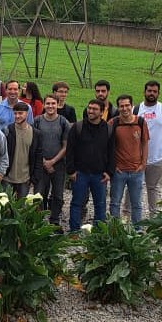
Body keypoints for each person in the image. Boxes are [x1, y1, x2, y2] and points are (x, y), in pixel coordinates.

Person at [67, 99, 115, 233]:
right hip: (80, 173)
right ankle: (74, 231)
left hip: (99, 175)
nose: (91, 111)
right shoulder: (78, 127)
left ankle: (99, 232)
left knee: (100, 205)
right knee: (77, 203)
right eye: (89, 108)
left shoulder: (108, 129)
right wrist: (71, 171)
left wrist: (109, 172)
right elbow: (70, 150)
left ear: (101, 112)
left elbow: (112, 152)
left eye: (94, 109)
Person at [134, 80, 162, 217]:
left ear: (158, 93)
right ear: (144, 92)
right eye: (149, 91)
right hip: (137, 158)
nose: (151, 93)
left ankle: (154, 217)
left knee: (152, 188)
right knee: (133, 188)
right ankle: (128, 215)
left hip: (157, 159)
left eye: (154, 91)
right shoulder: (135, 110)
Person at [109, 95, 149, 226]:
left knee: (136, 203)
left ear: (132, 106)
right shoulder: (114, 123)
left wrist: (143, 164)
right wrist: (112, 165)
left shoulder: (141, 122)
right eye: (121, 106)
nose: (124, 108)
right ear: (118, 107)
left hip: (136, 171)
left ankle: (137, 229)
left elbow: (145, 143)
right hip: (119, 171)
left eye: (127, 105)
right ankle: (114, 229)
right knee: (115, 202)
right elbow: (105, 145)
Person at [33, 95, 70, 224]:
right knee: (39, 195)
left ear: (57, 105)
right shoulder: (37, 121)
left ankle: (54, 221)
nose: (50, 106)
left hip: (58, 165)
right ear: (44, 105)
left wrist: (52, 161)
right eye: (48, 103)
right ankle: (38, 221)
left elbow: (66, 146)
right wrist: (44, 161)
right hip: (40, 164)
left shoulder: (63, 122)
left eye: (53, 104)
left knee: (58, 195)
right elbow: (34, 144)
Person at [2, 101, 43, 198]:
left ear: (27, 114)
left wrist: (34, 178)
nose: (17, 116)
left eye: (20, 113)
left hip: (25, 178)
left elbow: (38, 156)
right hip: (7, 177)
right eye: (15, 113)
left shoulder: (36, 134)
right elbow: (1, 153)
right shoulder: (7, 130)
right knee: (6, 208)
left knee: (21, 209)